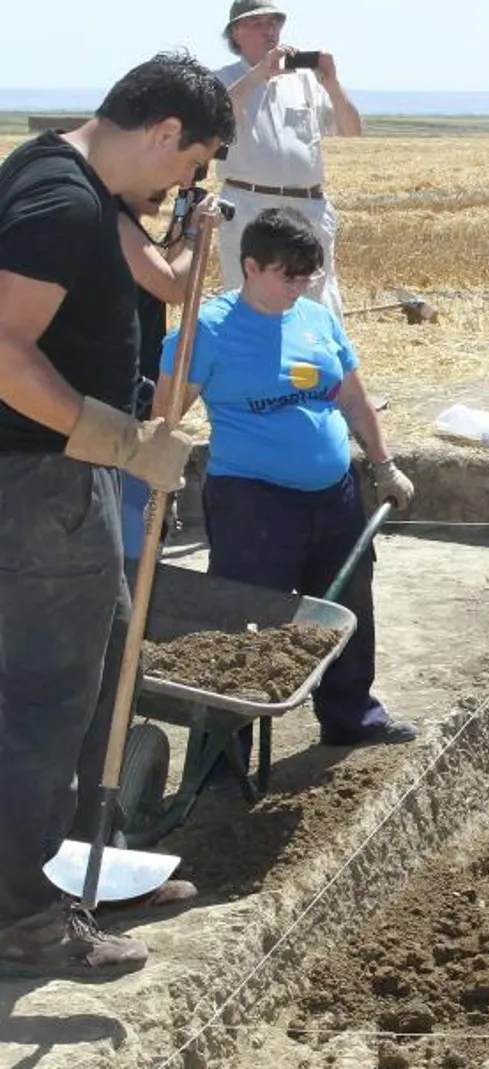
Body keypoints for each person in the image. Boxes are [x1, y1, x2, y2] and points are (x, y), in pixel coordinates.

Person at [0, 51, 231, 980]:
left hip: (59, 478)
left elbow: (158, 284)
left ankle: (53, 870)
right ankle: (22, 916)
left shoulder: (68, 177)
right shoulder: (61, 204)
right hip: (41, 483)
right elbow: (5, 349)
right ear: (164, 131)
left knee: (95, 671)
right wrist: (123, 442)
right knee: (45, 704)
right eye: (192, 160)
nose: (188, 181)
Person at [154, 208, 418, 784]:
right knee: (244, 626)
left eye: (308, 276)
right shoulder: (209, 331)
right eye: (288, 275)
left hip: (334, 495)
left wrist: (384, 465)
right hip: (252, 503)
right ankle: (220, 763)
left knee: (348, 606)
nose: (300, 286)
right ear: (250, 266)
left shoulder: (317, 320)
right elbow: (166, 417)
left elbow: (353, 398)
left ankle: (351, 716)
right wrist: (160, 480)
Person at [214, 0, 362, 318]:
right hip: (247, 205)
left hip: (308, 207)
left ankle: (313, 366)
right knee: (248, 299)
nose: (270, 30)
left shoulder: (306, 81)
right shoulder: (223, 80)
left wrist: (332, 82)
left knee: (317, 301)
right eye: (258, 23)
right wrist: (259, 74)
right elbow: (215, 116)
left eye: (274, 22)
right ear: (236, 33)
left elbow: (351, 129)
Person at [117, 180, 229, 575]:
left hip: (131, 398)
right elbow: (172, 284)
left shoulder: (109, 227)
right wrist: (197, 234)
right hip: (115, 410)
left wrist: (184, 221)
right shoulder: (108, 223)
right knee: (127, 531)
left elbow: (162, 270)